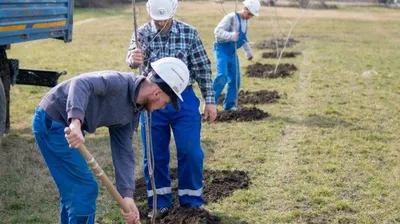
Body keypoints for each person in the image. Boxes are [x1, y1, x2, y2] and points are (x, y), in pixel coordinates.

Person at [32, 57, 190, 224]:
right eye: (165, 102)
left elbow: (124, 152)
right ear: (157, 93)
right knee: (84, 189)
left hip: (68, 125)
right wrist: (76, 122)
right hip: (53, 121)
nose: (163, 107)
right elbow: (80, 84)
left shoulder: (134, 111)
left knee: (75, 191)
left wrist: (127, 196)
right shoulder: (119, 83)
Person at [126, 0, 217, 218]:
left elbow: (202, 67)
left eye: (164, 19)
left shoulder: (189, 33)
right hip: (152, 99)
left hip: (183, 98)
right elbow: (132, 59)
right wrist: (132, 58)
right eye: (157, 19)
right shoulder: (142, 33)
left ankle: (191, 202)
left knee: (191, 151)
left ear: (173, 12)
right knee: (154, 155)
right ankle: (160, 202)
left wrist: (210, 100)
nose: (161, 23)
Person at [213, 0, 260, 111]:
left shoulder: (246, 22)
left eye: (252, 15)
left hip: (232, 52)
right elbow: (217, 32)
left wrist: (248, 52)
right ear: (245, 8)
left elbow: (243, 38)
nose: (250, 17)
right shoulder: (231, 17)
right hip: (222, 49)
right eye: (249, 14)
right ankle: (210, 103)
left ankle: (230, 106)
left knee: (235, 79)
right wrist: (231, 35)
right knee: (222, 76)